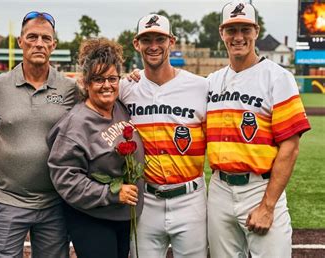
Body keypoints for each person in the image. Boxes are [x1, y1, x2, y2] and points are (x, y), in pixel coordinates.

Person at [206, 2, 311, 257]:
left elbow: (290, 146)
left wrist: (268, 205)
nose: (238, 37)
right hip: (219, 188)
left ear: (256, 31)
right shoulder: (211, 81)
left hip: (259, 188)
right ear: (222, 33)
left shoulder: (277, 77)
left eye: (245, 29)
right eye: (231, 30)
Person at [0, 11, 77, 258]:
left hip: (55, 203)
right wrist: (8, 141)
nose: (38, 43)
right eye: (32, 37)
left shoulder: (70, 89)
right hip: (9, 200)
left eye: (45, 38)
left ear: (54, 44)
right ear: (20, 41)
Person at [119, 14, 209, 257]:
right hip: (145, 199)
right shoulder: (125, 87)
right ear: (136, 44)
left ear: (172, 42)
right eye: (146, 39)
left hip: (190, 197)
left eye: (160, 38)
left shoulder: (200, 87)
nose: (154, 46)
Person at [47, 38, 144, 258]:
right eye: (99, 79)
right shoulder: (76, 123)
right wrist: (111, 193)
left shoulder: (119, 107)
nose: (107, 85)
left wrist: (136, 76)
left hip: (122, 215)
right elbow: (65, 177)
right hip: (92, 218)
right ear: (86, 83)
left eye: (112, 78)